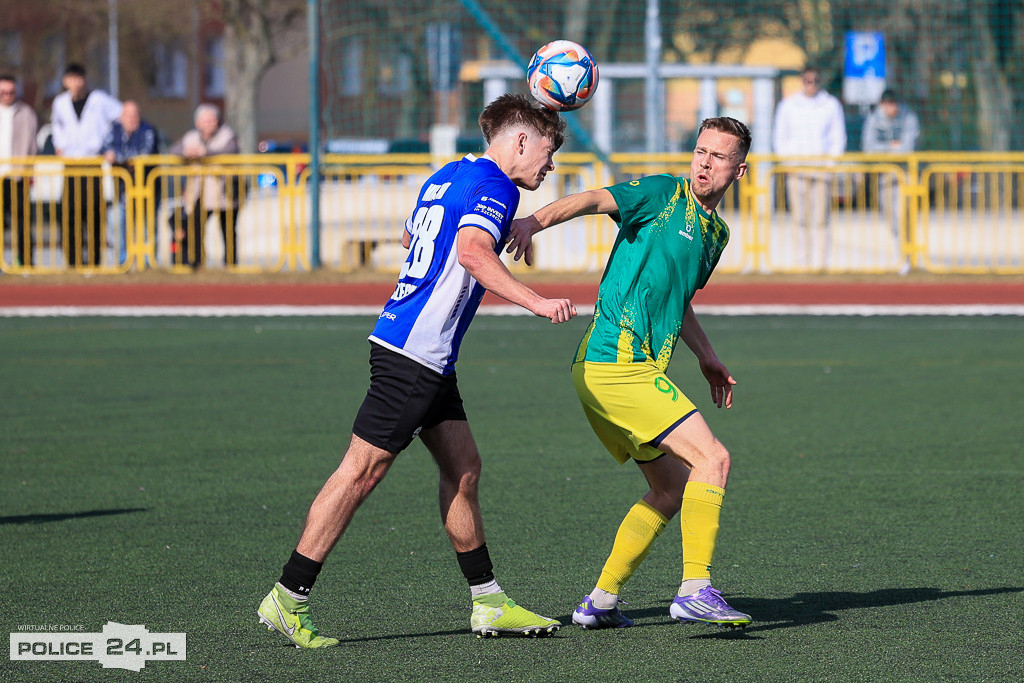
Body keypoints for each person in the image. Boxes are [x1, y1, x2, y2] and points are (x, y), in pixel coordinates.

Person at [257, 93, 576, 648]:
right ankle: (287, 596)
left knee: (464, 467)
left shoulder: (447, 175)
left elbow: (413, 238)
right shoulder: (497, 186)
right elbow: (472, 252)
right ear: (520, 139)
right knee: (360, 473)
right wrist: (537, 301)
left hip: (420, 350)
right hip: (415, 355)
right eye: (547, 151)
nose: (549, 165)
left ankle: (489, 601)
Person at [506, 116, 753, 630]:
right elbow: (594, 199)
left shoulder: (715, 234)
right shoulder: (664, 194)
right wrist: (534, 221)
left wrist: (706, 355)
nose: (705, 162)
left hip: (610, 371)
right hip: (617, 363)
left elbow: (678, 299)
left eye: (719, 156)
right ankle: (695, 589)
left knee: (671, 489)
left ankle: (599, 601)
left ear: (740, 169)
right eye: (701, 150)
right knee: (714, 459)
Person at [772, 66, 846, 270]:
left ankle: (821, 264)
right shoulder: (788, 105)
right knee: (799, 218)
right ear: (802, 81)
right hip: (796, 169)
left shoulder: (830, 104)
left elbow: (837, 137)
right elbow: (780, 137)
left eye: (814, 81)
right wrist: (787, 163)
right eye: (807, 81)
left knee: (821, 218)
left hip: (822, 169)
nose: (811, 85)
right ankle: (802, 263)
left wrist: (830, 163)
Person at [50, 63, 122, 267]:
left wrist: (110, 145)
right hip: (71, 164)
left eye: (78, 78)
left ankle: (93, 260)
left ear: (84, 79)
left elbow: (121, 115)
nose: (75, 83)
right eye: (71, 79)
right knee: (70, 213)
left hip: (93, 163)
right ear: (65, 81)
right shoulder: (60, 102)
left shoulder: (99, 100)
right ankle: (72, 260)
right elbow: (57, 126)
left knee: (93, 212)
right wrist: (59, 145)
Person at [168, 103, 240, 268]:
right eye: (205, 121)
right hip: (199, 193)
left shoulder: (227, 135)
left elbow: (231, 151)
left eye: (212, 120)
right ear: (197, 123)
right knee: (196, 229)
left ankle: (230, 263)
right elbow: (174, 150)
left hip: (224, 192)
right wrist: (187, 151)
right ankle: (196, 261)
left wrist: (205, 153)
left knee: (228, 230)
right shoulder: (191, 137)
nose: (209, 124)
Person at [861, 89, 920, 275]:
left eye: (893, 103)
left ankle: (906, 258)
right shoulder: (874, 119)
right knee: (892, 219)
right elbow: (869, 148)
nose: (890, 108)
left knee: (903, 215)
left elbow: (908, 148)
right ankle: (901, 254)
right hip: (884, 175)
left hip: (905, 173)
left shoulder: (909, 117)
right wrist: (891, 147)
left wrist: (890, 151)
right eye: (887, 104)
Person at [101, 100, 160, 266]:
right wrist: (119, 158)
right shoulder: (114, 130)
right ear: (121, 116)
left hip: (147, 189)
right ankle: (123, 261)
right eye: (127, 115)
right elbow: (105, 148)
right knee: (118, 223)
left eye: (134, 115)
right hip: (122, 189)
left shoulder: (147, 130)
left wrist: (119, 158)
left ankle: (147, 262)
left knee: (148, 226)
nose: (131, 118)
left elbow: (143, 154)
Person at [0, 74, 38, 267]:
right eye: (3, 92)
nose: (7, 95)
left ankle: (25, 262)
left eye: (11, 92)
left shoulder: (26, 113)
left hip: (18, 175)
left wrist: (29, 171)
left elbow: (32, 146)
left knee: (22, 221)